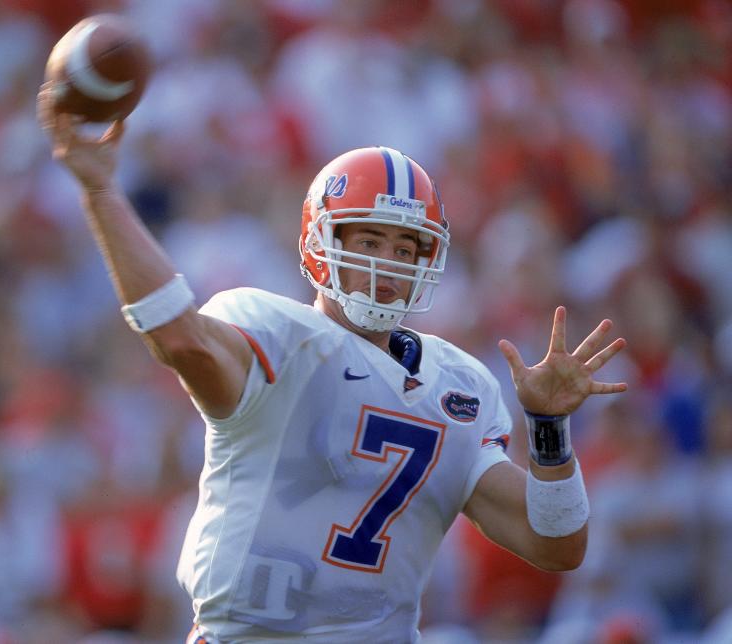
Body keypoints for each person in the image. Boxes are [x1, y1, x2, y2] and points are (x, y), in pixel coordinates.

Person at [37, 94, 628, 642]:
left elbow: (555, 545)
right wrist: (101, 193)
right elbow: (179, 337)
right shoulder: (275, 330)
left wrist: (549, 431)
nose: (388, 264)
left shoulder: (460, 385)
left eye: (405, 249)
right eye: (369, 241)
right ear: (320, 241)